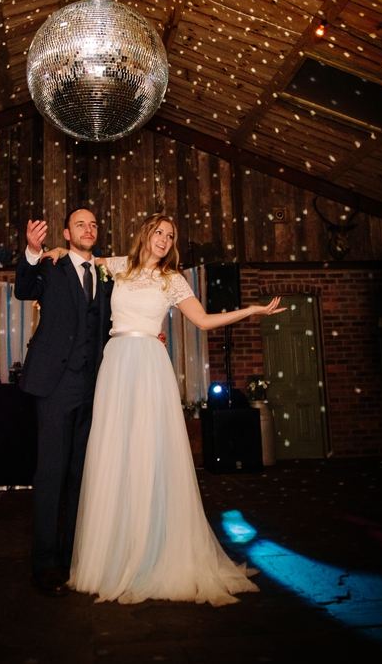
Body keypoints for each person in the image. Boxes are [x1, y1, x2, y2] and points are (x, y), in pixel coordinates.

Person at [64, 213, 284, 604]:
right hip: (115, 362)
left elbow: (202, 321)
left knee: (150, 453)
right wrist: (44, 250)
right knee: (115, 452)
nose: (165, 239)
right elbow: (76, 256)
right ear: (145, 233)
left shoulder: (172, 280)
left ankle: (155, 551)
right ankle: (112, 555)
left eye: (171, 235)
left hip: (149, 364)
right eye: (159, 232)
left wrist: (250, 310)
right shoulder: (117, 265)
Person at [14, 207, 114, 595]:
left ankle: (76, 557)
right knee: (51, 473)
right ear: (66, 234)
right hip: (55, 385)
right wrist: (32, 250)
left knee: (80, 475)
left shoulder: (105, 275)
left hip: (94, 386)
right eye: (80, 225)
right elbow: (24, 289)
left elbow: (111, 321)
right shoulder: (51, 265)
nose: (88, 229)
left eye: (93, 224)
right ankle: (45, 562)